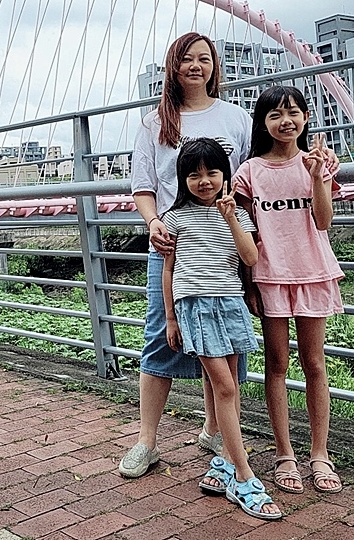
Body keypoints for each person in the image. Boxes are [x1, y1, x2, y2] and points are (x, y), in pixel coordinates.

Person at [121, 32, 253, 479]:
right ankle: (147, 441)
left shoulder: (236, 118)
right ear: (172, 67)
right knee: (160, 336)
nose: (196, 66)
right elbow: (143, 187)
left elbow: (251, 177)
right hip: (172, 244)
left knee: (220, 341)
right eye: (187, 59)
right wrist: (152, 221)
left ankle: (214, 430)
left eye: (205, 59)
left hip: (222, 248)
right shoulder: (154, 122)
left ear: (216, 65)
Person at [232, 85, 344, 495]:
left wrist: (317, 177)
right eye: (275, 114)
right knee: (276, 364)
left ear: (307, 117)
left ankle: (320, 453)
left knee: (315, 364)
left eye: (294, 112)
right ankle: (284, 454)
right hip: (270, 274)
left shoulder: (318, 163)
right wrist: (249, 286)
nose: (286, 121)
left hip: (312, 271)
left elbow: (323, 221)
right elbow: (246, 232)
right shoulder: (249, 172)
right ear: (262, 123)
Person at [161, 137, 281, 521]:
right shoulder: (175, 217)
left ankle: (225, 462)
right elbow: (168, 269)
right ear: (183, 179)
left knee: (225, 385)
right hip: (195, 305)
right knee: (225, 386)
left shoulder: (236, 215)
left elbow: (250, 257)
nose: (204, 181)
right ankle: (243, 474)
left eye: (212, 172)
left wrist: (230, 217)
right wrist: (171, 316)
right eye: (194, 175)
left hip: (230, 304)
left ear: (224, 174)